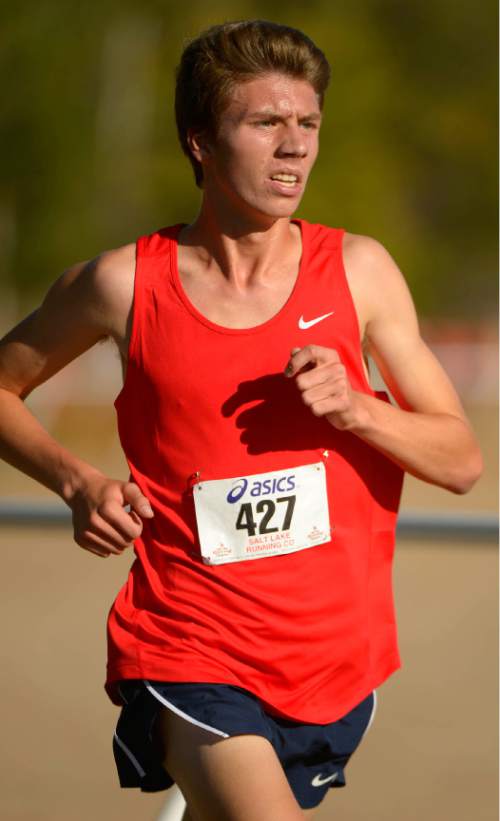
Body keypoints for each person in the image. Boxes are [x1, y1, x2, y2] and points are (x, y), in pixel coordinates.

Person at [0, 19, 482, 821]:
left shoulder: (360, 271)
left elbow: (461, 459)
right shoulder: (122, 284)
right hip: (187, 641)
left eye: (309, 125)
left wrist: (359, 407)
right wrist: (74, 478)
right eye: (266, 123)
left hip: (335, 663)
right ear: (200, 140)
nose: (294, 146)